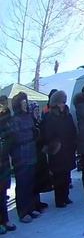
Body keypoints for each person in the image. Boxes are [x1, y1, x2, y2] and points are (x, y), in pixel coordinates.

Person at [41, 91, 77, 207]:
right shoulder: (49, 117)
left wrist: (73, 143)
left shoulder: (67, 115)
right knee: (58, 176)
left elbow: (72, 129)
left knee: (66, 175)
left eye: (63, 102)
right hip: (57, 150)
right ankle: (59, 199)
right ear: (55, 104)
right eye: (60, 103)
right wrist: (54, 144)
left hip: (68, 148)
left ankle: (65, 196)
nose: (62, 105)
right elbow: (46, 134)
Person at [9, 92, 39, 222]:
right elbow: (15, 138)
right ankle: (23, 212)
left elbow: (34, 132)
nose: (26, 104)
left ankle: (31, 208)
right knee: (22, 184)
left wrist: (35, 133)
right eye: (23, 102)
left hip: (31, 153)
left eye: (26, 102)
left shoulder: (28, 116)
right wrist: (30, 135)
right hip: (21, 156)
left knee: (31, 183)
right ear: (18, 104)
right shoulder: (14, 120)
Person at [30, 101, 51, 212]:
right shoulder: (31, 123)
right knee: (34, 179)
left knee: (40, 178)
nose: (37, 112)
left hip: (41, 152)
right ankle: (33, 203)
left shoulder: (39, 121)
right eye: (35, 110)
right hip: (35, 153)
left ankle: (38, 201)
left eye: (38, 110)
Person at [0, 96, 16, 233]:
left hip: (3, 160)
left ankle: (5, 219)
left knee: (3, 191)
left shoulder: (6, 118)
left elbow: (10, 137)